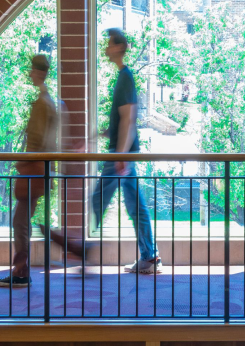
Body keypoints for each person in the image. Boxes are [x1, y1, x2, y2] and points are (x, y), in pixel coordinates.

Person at [49, 28, 161, 274]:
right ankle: (149, 257)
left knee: (99, 201)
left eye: (109, 44)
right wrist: (92, 140)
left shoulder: (125, 78)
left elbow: (128, 119)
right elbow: (118, 124)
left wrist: (120, 156)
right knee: (134, 206)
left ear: (119, 47)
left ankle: (84, 249)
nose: (106, 48)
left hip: (120, 156)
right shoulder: (123, 78)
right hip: (121, 154)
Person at [0, 54, 58, 288]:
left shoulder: (43, 103)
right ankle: (22, 270)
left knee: (20, 222)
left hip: (33, 172)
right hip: (39, 171)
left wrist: (21, 163)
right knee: (24, 221)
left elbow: (38, 141)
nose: (30, 74)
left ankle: (21, 273)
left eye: (32, 70)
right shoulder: (48, 101)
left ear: (39, 72)